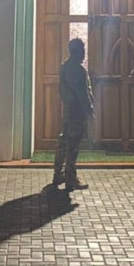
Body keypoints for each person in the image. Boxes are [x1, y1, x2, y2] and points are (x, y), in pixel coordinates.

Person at [53, 37, 94, 191]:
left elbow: (61, 90)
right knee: (73, 144)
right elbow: (83, 93)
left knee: (64, 140)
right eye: (82, 50)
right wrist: (89, 109)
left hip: (68, 109)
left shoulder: (64, 67)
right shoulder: (78, 70)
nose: (84, 53)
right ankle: (71, 178)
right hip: (77, 111)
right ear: (77, 52)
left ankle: (58, 173)